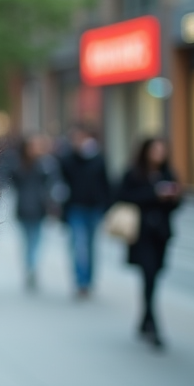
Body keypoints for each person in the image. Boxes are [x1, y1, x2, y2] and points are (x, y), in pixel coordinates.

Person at [117, 138, 182, 348]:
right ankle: (153, 324)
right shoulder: (134, 173)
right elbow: (122, 196)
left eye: (162, 150)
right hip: (142, 233)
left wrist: (172, 198)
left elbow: (178, 203)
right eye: (155, 150)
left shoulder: (168, 174)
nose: (158, 154)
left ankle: (145, 319)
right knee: (149, 274)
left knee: (154, 276)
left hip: (161, 234)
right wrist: (154, 195)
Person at [58, 126, 111, 297]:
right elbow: (61, 183)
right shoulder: (68, 160)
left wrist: (106, 206)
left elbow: (106, 184)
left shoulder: (98, 159)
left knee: (91, 246)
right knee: (78, 245)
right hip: (75, 208)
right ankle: (80, 282)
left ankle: (89, 280)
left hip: (94, 209)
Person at [9, 134, 60, 290]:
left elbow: (52, 183)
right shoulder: (20, 164)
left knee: (35, 240)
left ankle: (31, 266)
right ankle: (31, 266)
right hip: (25, 209)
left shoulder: (45, 164)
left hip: (39, 209)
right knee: (29, 240)